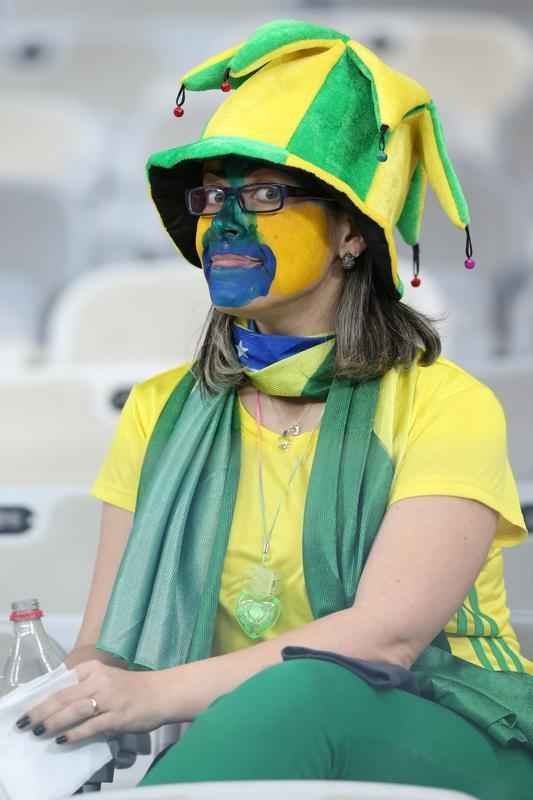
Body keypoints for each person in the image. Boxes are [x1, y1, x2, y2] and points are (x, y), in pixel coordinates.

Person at [17, 19, 533, 798]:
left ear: (352, 234)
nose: (223, 222)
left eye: (263, 194)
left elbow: (383, 640)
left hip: (451, 727)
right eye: (212, 196)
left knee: (304, 688)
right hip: (245, 733)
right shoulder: (159, 409)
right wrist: (68, 708)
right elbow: (106, 651)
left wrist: (155, 696)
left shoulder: (441, 401)